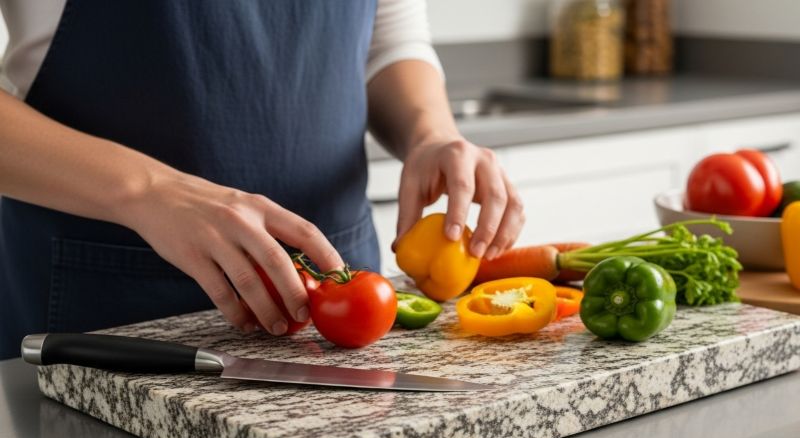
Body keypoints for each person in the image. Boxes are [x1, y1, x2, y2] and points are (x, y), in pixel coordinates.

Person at [0, 0, 524, 359]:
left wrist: (429, 133)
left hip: (341, 301)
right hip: (100, 309)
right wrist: (147, 191)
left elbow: (388, 38)